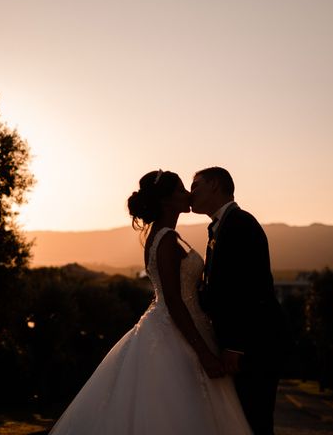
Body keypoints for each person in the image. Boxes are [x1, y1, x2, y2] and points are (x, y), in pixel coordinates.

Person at [48, 169, 252, 435]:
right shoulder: (165, 239)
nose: (188, 194)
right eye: (181, 190)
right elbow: (173, 302)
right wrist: (203, 353)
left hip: (186, 325)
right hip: (176, 332)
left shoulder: (167, 236)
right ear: (167, 201)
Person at [191, 167, 286, 435]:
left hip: (255, 345)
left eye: (196, 185)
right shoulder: (221, 225)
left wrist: (235, 344)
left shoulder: (241, 223)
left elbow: (251, 288)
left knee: (254, 422)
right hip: (242, 344)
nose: (191, 192)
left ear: (215, 185)